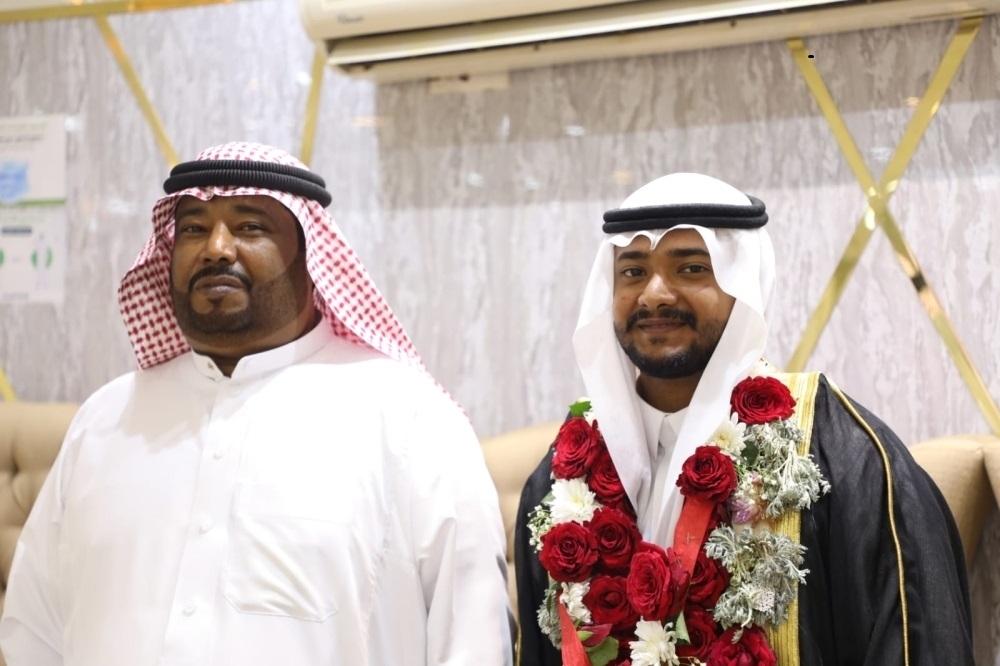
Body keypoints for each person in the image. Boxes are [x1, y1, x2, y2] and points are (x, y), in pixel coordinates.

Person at [0, 142, 513, 666]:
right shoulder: (105, 420)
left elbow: (472, 640)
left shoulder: (411, 419)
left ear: (312, 255)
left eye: (250, 226)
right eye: (193, 228)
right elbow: (32, 632)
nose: (216, 248)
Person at [514, 173, 972, 665]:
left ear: (744, 285)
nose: (654, 294)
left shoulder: (840, 459)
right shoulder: (564, 476)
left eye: (691, 268)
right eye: (633, 271)